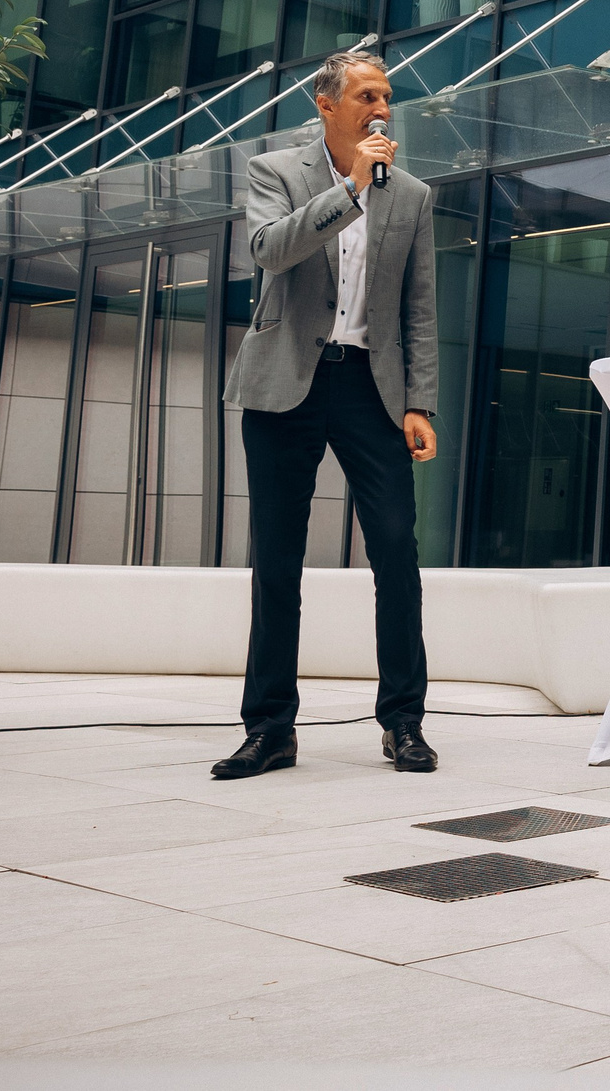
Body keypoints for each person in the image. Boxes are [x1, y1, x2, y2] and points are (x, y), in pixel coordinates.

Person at [213, 50, 440, 781]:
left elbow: (419, 309)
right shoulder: (275, 171)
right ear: (327, 104)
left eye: (388, 96)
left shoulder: (412, 195)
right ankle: (270, 728)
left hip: (370, 387)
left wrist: (419, 402)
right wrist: (350, 188)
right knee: (276, 560)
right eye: (368, 95)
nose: (382, 107)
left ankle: (404, 720)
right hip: (285, 382)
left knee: (397, 553)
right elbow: (268, 250)